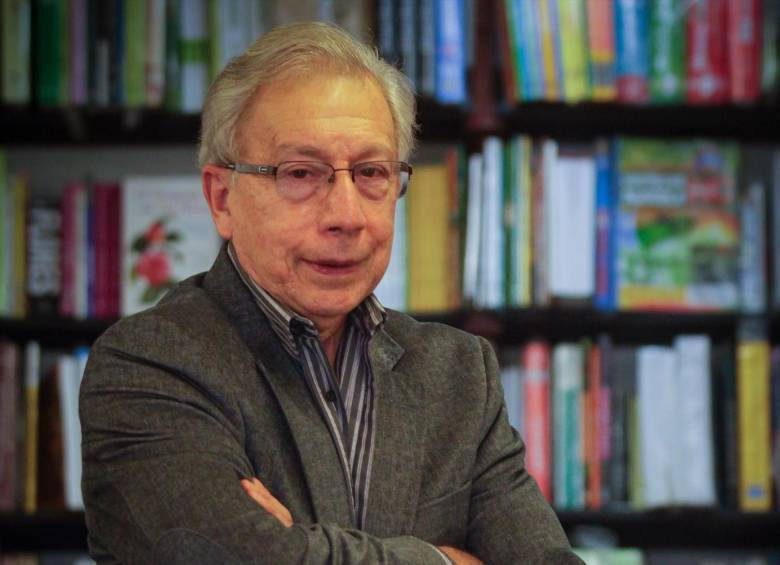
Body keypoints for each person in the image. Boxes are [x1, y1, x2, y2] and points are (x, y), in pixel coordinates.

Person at [80, 22, 582, 565]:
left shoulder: (459, 374)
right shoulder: (150, 363)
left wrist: (298, 548)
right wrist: (445, 561)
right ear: (222, 198)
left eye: (372, 172)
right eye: (301, 173)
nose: (346, 216)